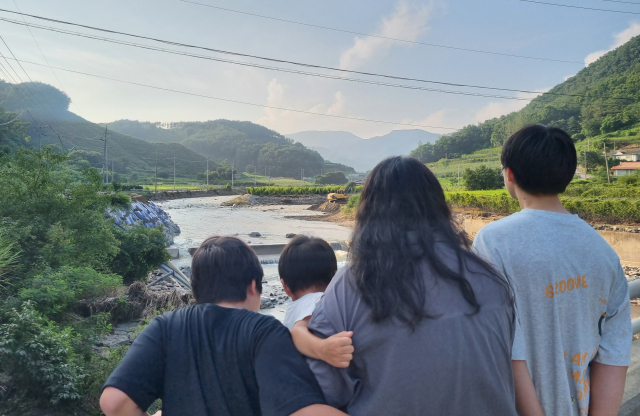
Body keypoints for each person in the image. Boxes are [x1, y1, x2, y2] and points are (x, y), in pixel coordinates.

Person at [306, 156, 518, 416]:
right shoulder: (489, 278)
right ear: (439, 208)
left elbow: (318, 392)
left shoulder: (353, 284)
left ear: (369, 213)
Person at [473, 125, 632, 416]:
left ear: (509, 174)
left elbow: (507, 343)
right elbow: (615, 352)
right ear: (567, 175)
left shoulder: (494, 240)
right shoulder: (602, 250)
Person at [100, 236, 347, 416]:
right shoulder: (264, 331)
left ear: (196, 289)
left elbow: (114, 402)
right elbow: (302, 411)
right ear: (253, 286)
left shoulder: (163, 327)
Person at [278, 236, 354, 368]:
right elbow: (296, 332)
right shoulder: (318, 300)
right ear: (334, 277)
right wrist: (323, 349)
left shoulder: (299, 306)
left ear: (285, 287)